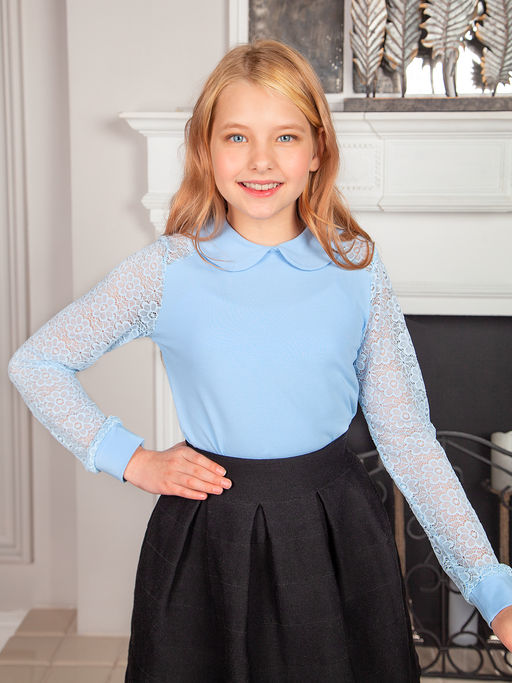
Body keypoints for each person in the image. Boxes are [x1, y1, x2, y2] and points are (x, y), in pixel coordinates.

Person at [7, 38, 512, 682]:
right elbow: (38, 363)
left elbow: (408, 438)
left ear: (317, 150)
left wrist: (492, 588)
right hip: (207, 544)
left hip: (340, 539)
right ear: (206, 148)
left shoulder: (356, 268)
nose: (261, 160)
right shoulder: (166, 271)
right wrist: (131, 459)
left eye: (286, 137)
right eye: (237, 137)